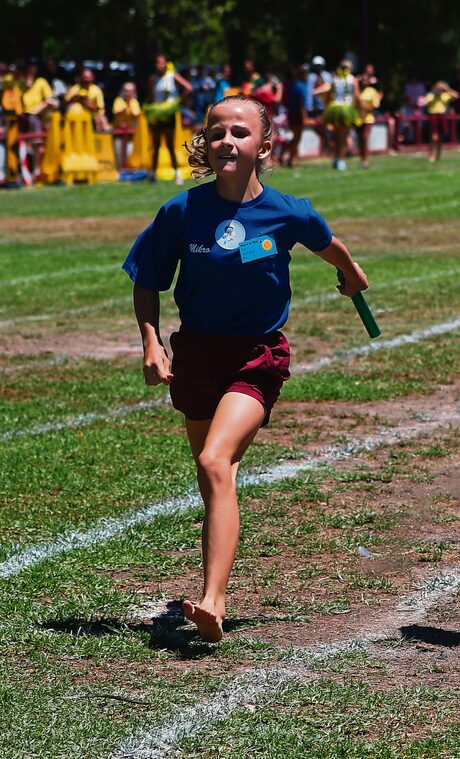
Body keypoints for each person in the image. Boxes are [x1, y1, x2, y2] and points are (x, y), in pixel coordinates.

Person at [121, 95, 370, 642]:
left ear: (264, 144)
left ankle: (213, 599)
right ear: (204, 145)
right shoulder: (181, 211)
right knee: (216, 477)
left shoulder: (288, 211)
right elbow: (148, 278)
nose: (227, 141)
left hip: (257, 355)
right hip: (196, 355)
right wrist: (150, 342)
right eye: (216, 133)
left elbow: (327, 243)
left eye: (239, 132)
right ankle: (212, 589)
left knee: (214, 459)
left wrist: (352, 273)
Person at [145, 54, 193, 184]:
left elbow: (189, 87)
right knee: (155, 144)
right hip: (156, 113)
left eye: (161, 63)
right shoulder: (153, 78)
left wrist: (178, 103)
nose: (159, 66)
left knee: (170, 144)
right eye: (157, 63)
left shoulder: (172, 76)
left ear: (166, 63)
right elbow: (149, 93)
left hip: (169, 114)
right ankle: (153, 174)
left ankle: (177, 173)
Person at [320, 60, 357, 170]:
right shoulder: (352, 79)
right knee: (344, 136)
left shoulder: (335, 79)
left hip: (334, 108)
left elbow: (329, 96)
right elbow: (356, 96)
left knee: (337, 136)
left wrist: (326, 107)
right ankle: (341, 159)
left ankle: (336, 157)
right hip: (346, 109)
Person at [420, 80, 458, 163]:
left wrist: (447, 89)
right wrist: (431, 94)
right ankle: (431, 154)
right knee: (434, 137)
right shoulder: (431, 95)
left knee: (440, 137)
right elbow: (422, 102)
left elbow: (456, 96)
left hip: (442, 116)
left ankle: (438, 154)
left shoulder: (445, 95)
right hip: (433, 116)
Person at [355, 65, 382, 168]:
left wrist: (364, 107)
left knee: (365, 138)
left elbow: (374, 106)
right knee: (360, 140)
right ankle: (362, 158)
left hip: (367, 119)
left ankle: (365, 160)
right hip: (357, 118)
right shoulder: (356, 92)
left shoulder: (372, 91)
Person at [111, 81, 141, 169]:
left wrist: (128, 105)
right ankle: (119, 172)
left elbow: (136, 114)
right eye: (126, 91)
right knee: (118, 154)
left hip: (130, 135)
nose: (128, 93)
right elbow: (117, 111)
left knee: (129, 153)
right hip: (118, 134)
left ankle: (127, 171)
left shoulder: (135, 102)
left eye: (130, 91)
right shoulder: (118, 100)